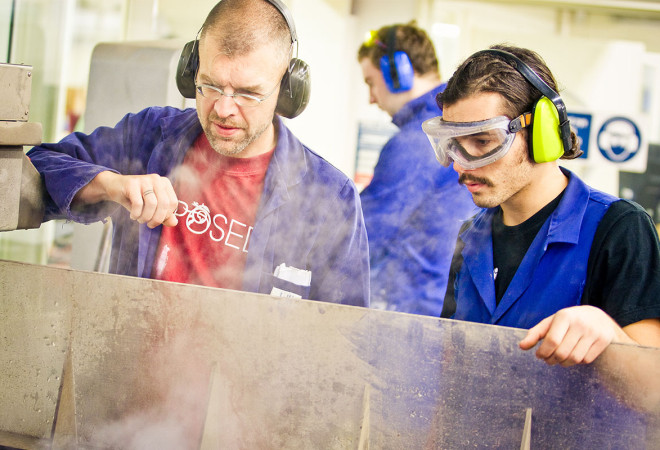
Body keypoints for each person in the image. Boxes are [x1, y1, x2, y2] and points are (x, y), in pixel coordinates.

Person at [27, 0, 369, 307]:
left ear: (287, 91)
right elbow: (37, 168)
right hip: (129, 370)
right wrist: (111, 185)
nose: (223, 108)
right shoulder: (149, 136)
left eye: (248, 93)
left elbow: (344, 346)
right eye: (209, 85)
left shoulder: (330, 200)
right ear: (191, 71)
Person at [423, 44, 660, 365]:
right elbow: (449, 372)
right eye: (454, 145)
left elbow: (651, 393)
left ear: (543, 132)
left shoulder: (618, 229)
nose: (461, 166)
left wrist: (610, 334)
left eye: (482, 142)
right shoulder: (471, 237)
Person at [357, 23, 475, 316]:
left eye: (371, 82)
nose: (371, 97)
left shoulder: (416, 139)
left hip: (407, 311)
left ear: (398, 73)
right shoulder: (451, 125)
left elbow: (361, 238)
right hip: (439, 302)